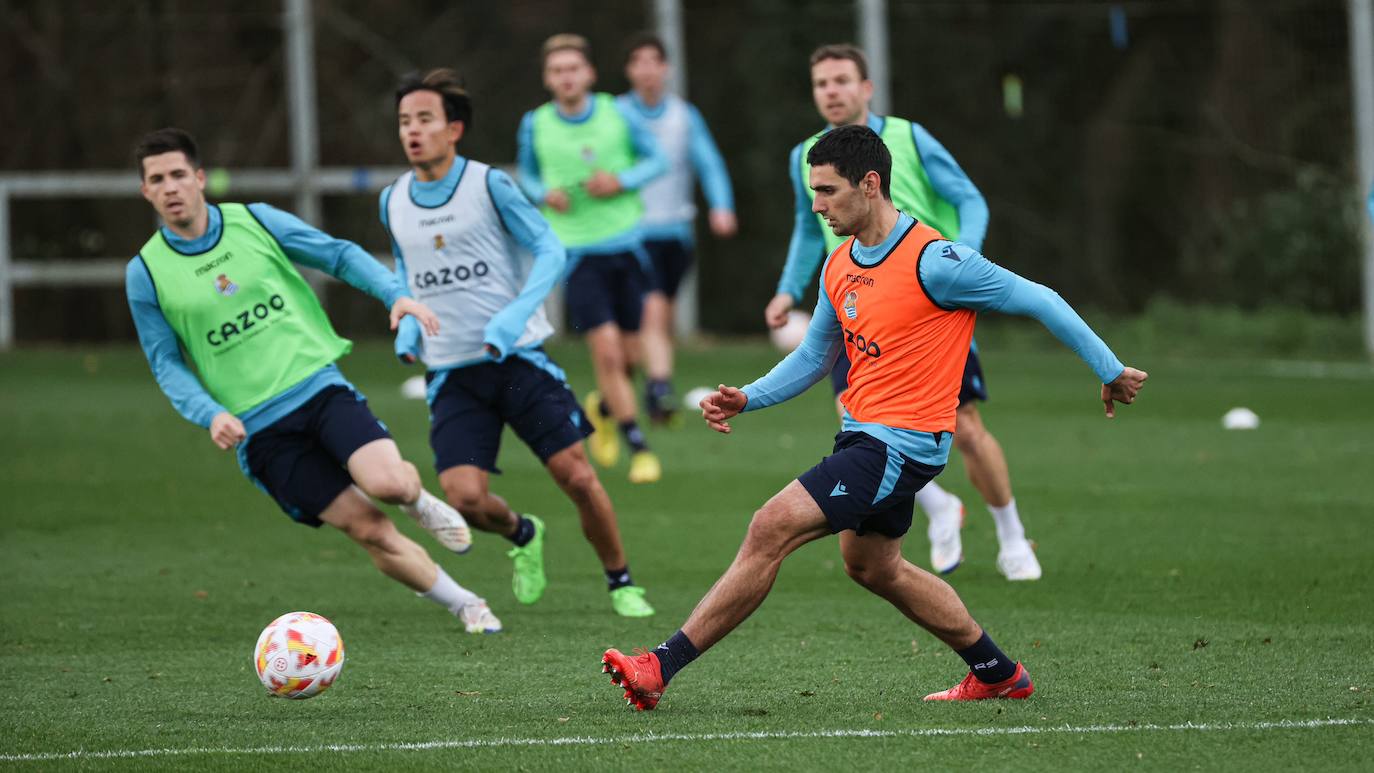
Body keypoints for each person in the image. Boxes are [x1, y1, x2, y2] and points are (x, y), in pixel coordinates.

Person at [602, 125, 1147, 710]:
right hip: (865, 436)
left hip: (901, 444)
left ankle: (659, 666)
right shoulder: (839, 265)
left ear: (870, 184)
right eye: (813, 190)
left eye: (828, 191)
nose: (817, 205)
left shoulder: (937, 262)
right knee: (873, 567)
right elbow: (815, 355)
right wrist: (749, 397)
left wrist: (1109, 368)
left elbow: (1040, 298)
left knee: (770, 526)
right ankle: (997, 672)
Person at [125, 128, 502, 634]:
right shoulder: (145, 272)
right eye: (156, 180)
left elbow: (338, 254)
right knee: (367, 529)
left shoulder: (254, 220)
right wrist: (209, 412)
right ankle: (466, 605)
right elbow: (165, 361)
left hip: (318, 388)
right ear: (146, 191)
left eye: (177, 175)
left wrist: (394, 294)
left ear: (198, 178)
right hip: (261, 433)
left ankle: (417, 500)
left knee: (388, 484)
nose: (169, 187)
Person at [383, 69, 655, 617]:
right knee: (463, 499)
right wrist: (410, 321)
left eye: (425, 120)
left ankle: (621, 581)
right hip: (452, 374)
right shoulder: (393, 200)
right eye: (405, 121)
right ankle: (523, 533)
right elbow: (408, 274)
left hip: (516, 361)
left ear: (453, 128)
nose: (413, 131)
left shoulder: (488, 184)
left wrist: (513, 315)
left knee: (577, 476)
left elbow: (550, 250)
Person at [764, 43, 1038, 581]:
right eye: (821, 83)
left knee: (964, 426)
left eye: (842, 80)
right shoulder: (808, 155)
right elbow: (805, 227)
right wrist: (786, 289)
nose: (832, 91)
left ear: (866, 88)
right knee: (854, 418)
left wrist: (967, 262)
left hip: (926, 309)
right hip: (857, 308)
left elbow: (970, 198)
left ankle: (1012, 536)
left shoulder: (909, 137)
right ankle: (940, 508)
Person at [516, 33, 667, 484]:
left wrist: (621, 180)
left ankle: (602, 407)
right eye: (557, 70)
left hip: (626, 246)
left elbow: (656, 160)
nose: (566, 77)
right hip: (576, 253)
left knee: (632, 357)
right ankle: (638, 444)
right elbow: (527, 174)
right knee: (605, 352)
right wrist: (544, 193)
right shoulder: (535, 124)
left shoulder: (616, 112)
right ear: (547, 79)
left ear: (589, 74)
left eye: (573, 69)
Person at [618, 32, 737, 425]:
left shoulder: (683, 116)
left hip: (676, 235)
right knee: (651, 313)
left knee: (656, 323)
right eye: (639, 62)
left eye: (654, 61)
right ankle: (659, 388)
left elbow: (710, 163)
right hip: (632, 233)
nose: (647, 70)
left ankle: (615, 396)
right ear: (630, 70)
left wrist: (721, 206)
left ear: (665, 68)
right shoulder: (616, 115)